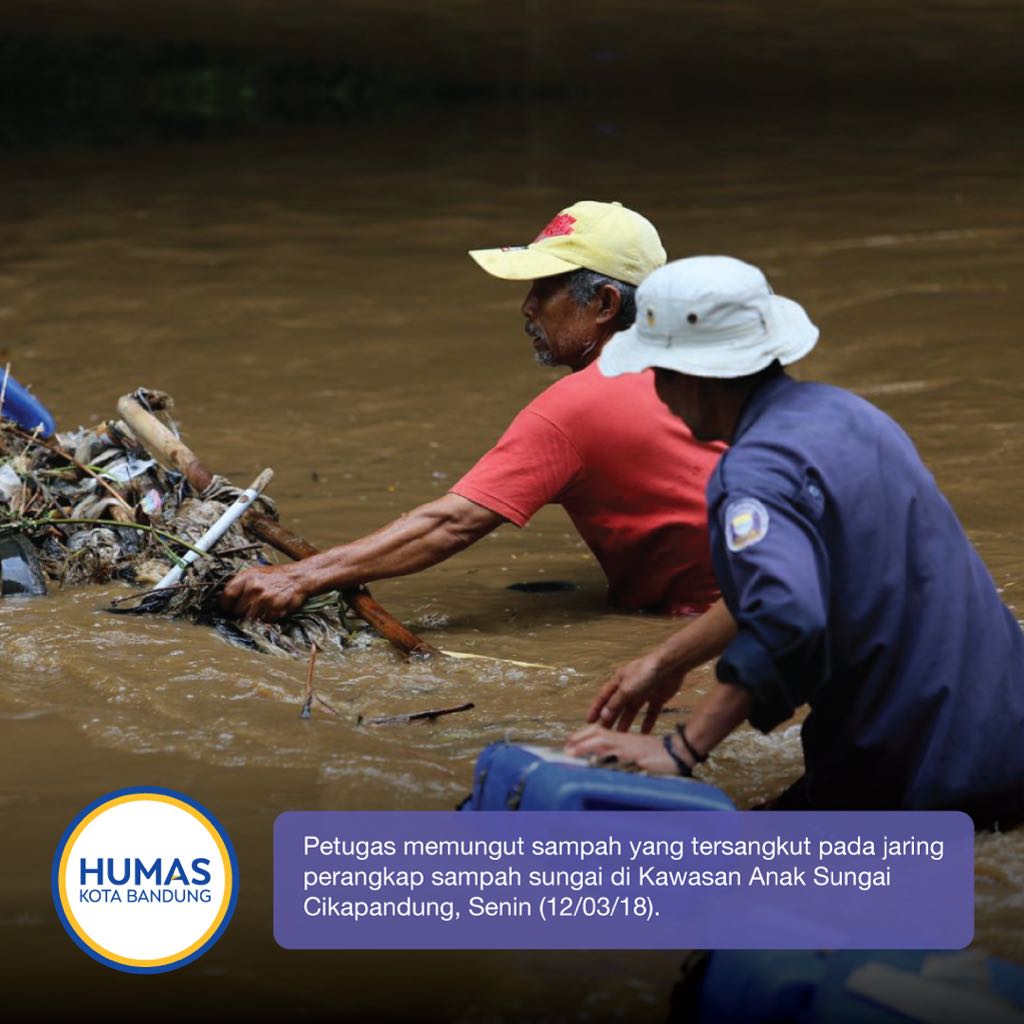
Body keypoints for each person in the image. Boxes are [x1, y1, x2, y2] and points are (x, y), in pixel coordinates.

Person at [568, 255, 1024, 824]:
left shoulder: (752, 475)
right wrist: (668, 659)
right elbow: (798, 581)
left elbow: (786, 615)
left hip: (919, 771)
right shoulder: (854, 416)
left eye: (658, 374)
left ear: (691, 378)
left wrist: (681, 748)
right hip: (1005, 727)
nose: (658, 394)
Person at [221, 202, 723, 622]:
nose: (527, 307)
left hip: (702, 623)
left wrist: (299, 576)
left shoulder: (579, 406)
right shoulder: (720, 365)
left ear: (606, 304)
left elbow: (451, 524)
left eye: (545, 290)